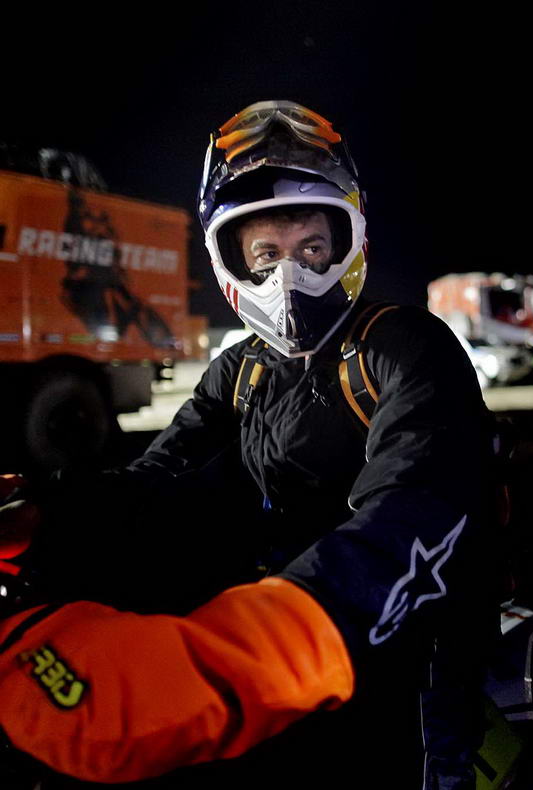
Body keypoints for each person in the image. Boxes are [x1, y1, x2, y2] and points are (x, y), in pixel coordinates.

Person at [0, 100, 501, 789]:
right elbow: (153, 481)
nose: (287, 277)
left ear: (350, 244)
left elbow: (422, 498)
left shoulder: (401, 346)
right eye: (265, 252)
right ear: (229, 258)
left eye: (312, 249)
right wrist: (39, 516)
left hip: (400, 654)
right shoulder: (241, 371)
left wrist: (280, 638)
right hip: (280, 645)